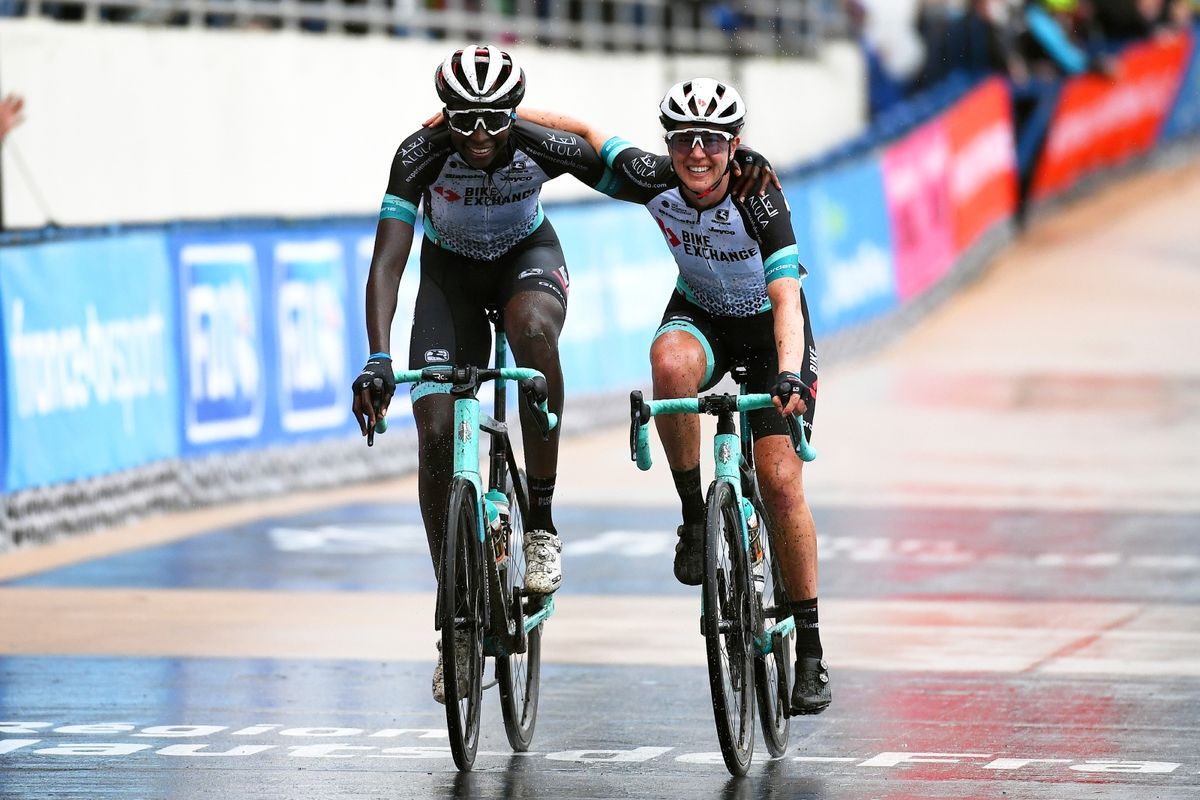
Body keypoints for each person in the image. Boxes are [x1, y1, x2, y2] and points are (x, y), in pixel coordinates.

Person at [518, 79, 831, 715]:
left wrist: (791, 375)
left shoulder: (757, 193)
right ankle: (694, 515)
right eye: (684, 140)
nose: (696, 153)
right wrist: (501, 113)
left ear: (732, 144)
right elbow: (584, 134)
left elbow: (788, 303)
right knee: (668, 362)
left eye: (711, 141)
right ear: (670, 143)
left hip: (771, 334)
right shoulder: (653, 177)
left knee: (778, 477)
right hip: (702, 317)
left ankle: (812, 648)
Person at [350, 44, 610, 704]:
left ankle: (543, 526)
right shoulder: (419, 154)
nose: (480, 136)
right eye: (464, 120)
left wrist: (729, 175)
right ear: (445, 116)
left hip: (527, 259)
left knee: (531, 336)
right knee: (435, 430)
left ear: (513, 114)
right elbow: (387, 264)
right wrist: (378, 359)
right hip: (450, 280)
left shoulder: (539, 144)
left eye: (495, 120)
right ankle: (456, 620)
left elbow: (639, 175)